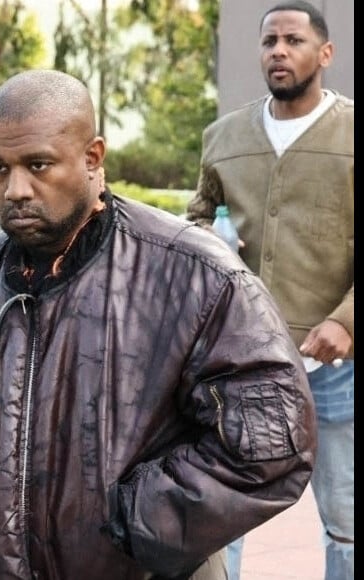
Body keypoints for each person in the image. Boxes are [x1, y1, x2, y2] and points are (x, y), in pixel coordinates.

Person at [0, 69, 317, 580]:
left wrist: (139, 520)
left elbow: (271, 440)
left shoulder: (196, 277)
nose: (15, 189)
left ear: (93, 158)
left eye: (37, 164)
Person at [185, 2, 354, 579]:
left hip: (337, 364)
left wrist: (347, 322)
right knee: (223, 516)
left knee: (347, 523)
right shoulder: (223, 137)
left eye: (293, 40)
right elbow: (195, 226)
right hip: (245, 363)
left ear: (324, 54)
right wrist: (212, 253)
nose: (278, 51)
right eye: (269, 41)